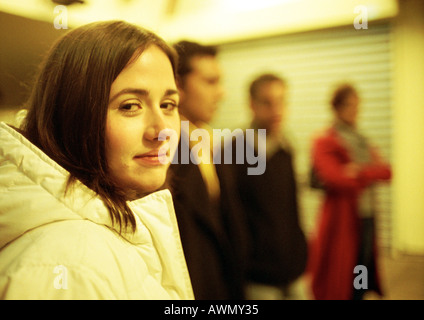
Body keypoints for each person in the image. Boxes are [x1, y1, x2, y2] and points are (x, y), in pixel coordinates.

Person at [0, 20, 194, 300]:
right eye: (130, 106)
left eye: (168, 105)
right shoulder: (67, 264)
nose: (162, 129)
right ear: (73, 115)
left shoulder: (105, 230)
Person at [167, 40, 250, 299]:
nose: (221, 93)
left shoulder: (210, 141)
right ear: (178, 85)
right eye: (210, 82)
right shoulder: (162, 149)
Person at [306, 83, 392, 300]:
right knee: (341, 270)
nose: (355, 110)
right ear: (336, 107)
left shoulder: (361, 140)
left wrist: (360, 172)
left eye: (357, 105)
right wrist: (368, 173)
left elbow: (387, 172)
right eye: (349, 105)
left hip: (367, 214)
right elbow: (336, 179)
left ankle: (359, 295)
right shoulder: (325, 140)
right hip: (342, 218)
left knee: (362, 265)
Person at [227, 73, 308, 299]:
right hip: (258, 274)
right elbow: (232, 217)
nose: (277, 109)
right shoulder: (234, 151)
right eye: (268, 102)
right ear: (252, 105)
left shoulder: (286, 146)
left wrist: (301, 250)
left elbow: (292, 207)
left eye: (282, 101)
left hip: (293, 267)